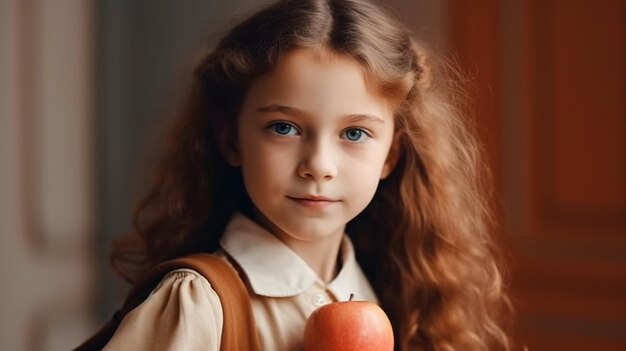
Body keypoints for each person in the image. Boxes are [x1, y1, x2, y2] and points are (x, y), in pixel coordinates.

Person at [104, 0, 513, 349]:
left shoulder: (392, 297)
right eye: (284, 127)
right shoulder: (195, 303)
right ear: (231, 140)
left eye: (354, 133)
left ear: (391, 155)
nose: (318, 165)